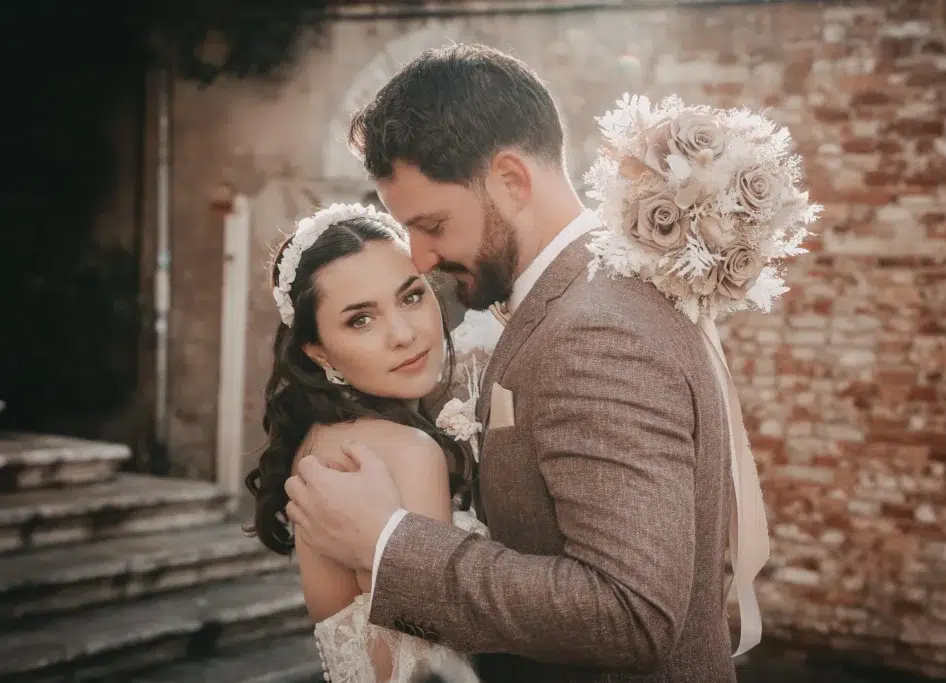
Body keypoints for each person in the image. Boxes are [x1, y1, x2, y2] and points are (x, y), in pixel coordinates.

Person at [284, 44, 750, 682]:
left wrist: (388, 546)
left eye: (433, 224)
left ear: (510, 180)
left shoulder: (595, 328)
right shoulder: (575, 295)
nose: (418, 257)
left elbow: (633, 613)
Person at [245, 202, 484, 682]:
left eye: (412, 297)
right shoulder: (408, 453)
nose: (403, 334)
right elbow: (425, 668)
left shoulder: (321, 442)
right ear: (317, 351)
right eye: (361, 320)